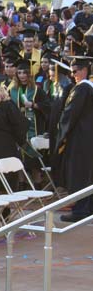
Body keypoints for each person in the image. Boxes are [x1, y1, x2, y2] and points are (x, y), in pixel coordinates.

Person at [56, 56, 93, 222]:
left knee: (80, 173)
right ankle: (88, 208)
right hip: (88, 138)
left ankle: (80, 210)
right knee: (88, 173)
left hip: (80, 139)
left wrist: (61, 133)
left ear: (85, 70)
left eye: (75, 71)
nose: (73, 75)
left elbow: (70, 114)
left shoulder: (82, 88)